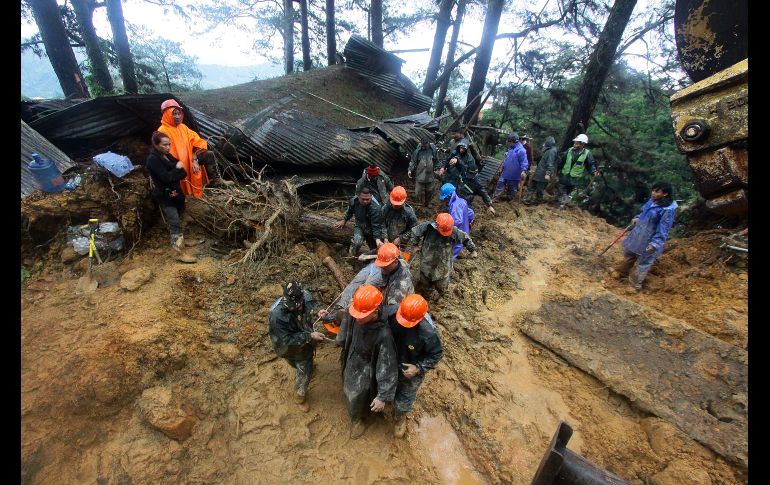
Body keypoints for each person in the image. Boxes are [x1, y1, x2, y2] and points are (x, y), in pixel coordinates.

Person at [323, 242, 414, 345]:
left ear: (395, 262)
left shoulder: (401, 284)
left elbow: (392, 311)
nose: (382, 268)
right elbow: (374, 283)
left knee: (365, 315)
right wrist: (360, 297)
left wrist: (373, 310)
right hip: (383, 298)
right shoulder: (388, 268)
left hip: (395, 312)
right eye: (381, 265)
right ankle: (342, 339)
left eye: (385, 266)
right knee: (353, 307)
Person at [340, 285, 399, 439]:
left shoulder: (383, 335)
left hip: (367, 366)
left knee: (358, 394)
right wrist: (340, 341)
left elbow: (388, 368)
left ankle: (357, 420)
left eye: (362, 315)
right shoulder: (357, 313)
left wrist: (382, 396)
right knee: (347, 383)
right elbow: (347, 327)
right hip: (353, 354)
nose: (357, 317)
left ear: (374, 311)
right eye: (356, 313)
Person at [389, 294, 443, 438]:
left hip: (411, 365)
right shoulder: (393, 312)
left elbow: (436, 354)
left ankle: (400, 418)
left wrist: (418, 367)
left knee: (404, 397)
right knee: (386, 384)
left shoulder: (428, 333)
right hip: (393, 357)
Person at [268, 281, 326, 412]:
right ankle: (300, 397)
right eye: (293, 306)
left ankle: (306, 369)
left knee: (304, 366)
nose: (297, 308)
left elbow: (309, 309)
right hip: (287, 346)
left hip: (304, 343)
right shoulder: (277, 316)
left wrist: (317, 313)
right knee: (299, 366)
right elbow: (286, 339)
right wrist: (309, 336)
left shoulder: (306, 296)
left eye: (299, 304)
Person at [157, 99, 232, 198]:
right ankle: (184, 192)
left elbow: (195, 143)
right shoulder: (162, 131)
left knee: (209, 154)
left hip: (190, 159)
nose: (177, 116)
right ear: (166, 114)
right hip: (176, 165)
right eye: (174, 114)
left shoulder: (183, 127)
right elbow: (165, 155)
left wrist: (194, 159)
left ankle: (216, 180)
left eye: (179, 113)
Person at [611, 182, 678, 291]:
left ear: (665, 194)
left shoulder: (668, 210)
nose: (653, 193)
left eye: (657, 191)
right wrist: (637, 218)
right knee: (630, 254)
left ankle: (634, 285)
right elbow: (644, 212)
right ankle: (621, 273)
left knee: (643, 262)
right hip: (639, 234)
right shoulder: (653, 201)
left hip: (650, 238)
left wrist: (655, 243)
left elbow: (664, 228)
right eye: (653, 190)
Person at [145, 131, 197, 263]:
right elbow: (166, 178)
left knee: (180, 215)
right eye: (165, 145)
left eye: (169, 144)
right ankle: (179, 252)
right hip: (165, 194)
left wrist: (177, 170)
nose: (168, 147)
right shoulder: (153, 159)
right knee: (174, 221)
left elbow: (183, 173)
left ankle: (182, 241)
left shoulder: (168, 155)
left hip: (176, 192)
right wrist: (177, 169)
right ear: (156, 145)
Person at [403, 213, 477, 300]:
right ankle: (427, 297)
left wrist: (473, 250)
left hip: (443, 266)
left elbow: (465, 238)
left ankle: (441, 297)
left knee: (442, 287)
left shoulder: (454, 231)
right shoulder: (428, 227)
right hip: (426, 263)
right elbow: (415, 232)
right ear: (436, 225)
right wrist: (414, 244)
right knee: (425, 284)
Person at [439, 141, 495, 214]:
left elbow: (483, 193)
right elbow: (461, 166)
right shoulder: (465, 173)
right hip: (458, 194)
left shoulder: (477, 182)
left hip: (467, 200)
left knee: (463, 213)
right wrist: (456, 159)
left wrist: (489, 205)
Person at [334, 187, 386, 256]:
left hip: (371, 229)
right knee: (357, 242)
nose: (365, 201)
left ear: (371, 197)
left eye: (367, 199)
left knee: (375, 248)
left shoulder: (375, 209)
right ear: (358, 196)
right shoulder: (353, 201)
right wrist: (344, 220)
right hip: (359, 226)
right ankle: (351, 257)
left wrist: (377, 239)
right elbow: (349, 211)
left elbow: (376, 225)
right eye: (363, 199)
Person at [556, 134, 600, 205]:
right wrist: (557, 169)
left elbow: (590, 165)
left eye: (576, 143)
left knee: (569, 192)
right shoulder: (569, 150)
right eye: (575, 142)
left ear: (582, 144)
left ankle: (564, 205)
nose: (574, 144)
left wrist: (594, 171)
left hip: (574, 177)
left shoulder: (587, 154)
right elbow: (562, 161)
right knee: (561, 190)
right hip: (564, 175)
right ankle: (559, 203)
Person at [438, 183, 474, 259]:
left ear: (448, 196)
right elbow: (470, 213)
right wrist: (470, 220)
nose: (444, 200)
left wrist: (447, 229)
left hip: (459, 233)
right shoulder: (461, 201)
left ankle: (450, 263)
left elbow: (457, 222)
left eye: (445, 198)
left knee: (453, 251)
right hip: (465, 229)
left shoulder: (455, 206)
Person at [493, 133, 529, 201]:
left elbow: (524, 162)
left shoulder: (521, 151)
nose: (507, 143)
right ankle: (495, 198)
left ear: (513, 142)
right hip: (505, 173)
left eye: (508, 141)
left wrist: (523, 171)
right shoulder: (510, 149)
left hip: (514, 175)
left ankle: (510, 201)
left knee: (512, 189)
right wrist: (503, 166)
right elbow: (507, 159)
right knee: (500, 185)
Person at [524, 136, 557, 205]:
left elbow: (550, 163)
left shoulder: (552, 151)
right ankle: (527, 199)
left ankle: (537, 202)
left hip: (543, 175)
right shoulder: (548, 150)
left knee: (540, 189)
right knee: (532, 186)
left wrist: (548, 173)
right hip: (539, 172)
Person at [408, 141, 439, 206]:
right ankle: (420, 204)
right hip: (420, 175)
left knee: (429, 191)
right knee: (418, 192)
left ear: (428, 144)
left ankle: (427, 203)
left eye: (425, 146)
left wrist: (437, 169)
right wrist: (410, 170)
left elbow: (436, 161)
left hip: (430, 176)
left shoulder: (433, 149)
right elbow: (413, 161)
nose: (423, 147)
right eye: (422, 146)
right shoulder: (417, 151)